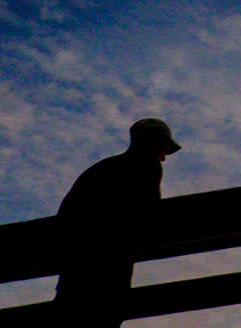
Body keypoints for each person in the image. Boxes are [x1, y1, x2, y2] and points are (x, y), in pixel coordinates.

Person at [54, 117, 182, 328]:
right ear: (155, 143)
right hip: (109, 263)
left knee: (70, 315)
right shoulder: (148, 167)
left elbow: (65, 216)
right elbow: (153, 217)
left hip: (75, 264)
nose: (164, 158)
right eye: (164, 150)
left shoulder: (101, 168)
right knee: (108, 313)